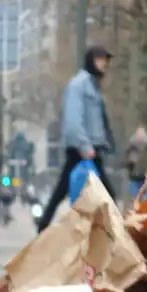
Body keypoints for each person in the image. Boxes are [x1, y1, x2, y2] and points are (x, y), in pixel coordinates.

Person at [36, 46, 117, 232]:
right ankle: (113, 235)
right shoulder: (79, 85)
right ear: (91, 61)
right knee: (107, 194)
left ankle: (43, 224)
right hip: (84, 149)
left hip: (89, 148)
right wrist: (84, 145)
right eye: (100, 59)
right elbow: (73, 119)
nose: (105, 64)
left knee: (62, 189)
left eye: (106, 60)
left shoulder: (92, 86)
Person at [124, 127, 147, 202]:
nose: (140, 136)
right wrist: (129, 161)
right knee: (135, 200)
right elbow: (125, 162)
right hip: (134, 178)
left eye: (142, 133)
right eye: (138, 133)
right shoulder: (131, 148)